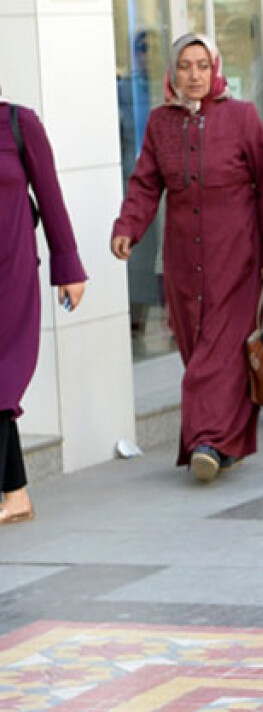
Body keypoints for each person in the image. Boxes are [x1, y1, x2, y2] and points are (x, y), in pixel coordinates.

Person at [111, 34, 263, 482]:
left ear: (216, 67)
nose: (194, 75)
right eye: (185, 66)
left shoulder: (243, 117)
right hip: (184, 259)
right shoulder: (160, 123)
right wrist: (128, 226)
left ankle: (206, 440)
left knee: (219, 351)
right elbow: (146, 183)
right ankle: (229, 445)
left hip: (236, 256)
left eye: (202, 65)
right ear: (172, 72)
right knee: (197, 347)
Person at [1, 96, 87, 525]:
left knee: (1, 380)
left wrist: (68, 267)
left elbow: (50, 196)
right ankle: (15, 495)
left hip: (10, 276)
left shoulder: (18, 123)